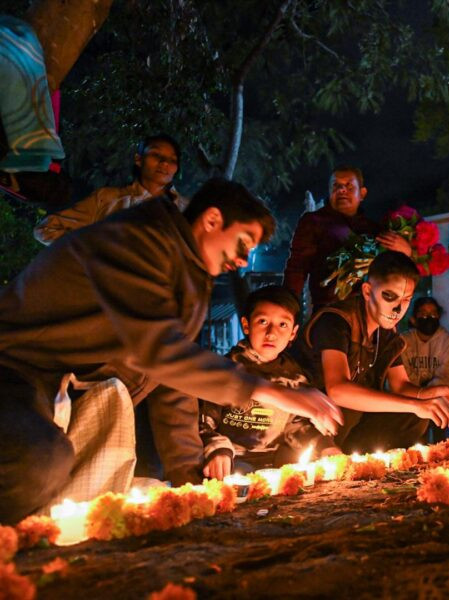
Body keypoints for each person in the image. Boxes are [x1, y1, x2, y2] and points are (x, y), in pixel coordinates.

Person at [0, 177, 342, 524]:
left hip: (66, 388)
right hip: (14, 366)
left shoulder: (188, 279)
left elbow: (172, 382)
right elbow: (160, 353)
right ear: (211, 221)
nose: (242, 260)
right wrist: (268, 390)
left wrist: (190, 482)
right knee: (37, 461)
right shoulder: (137, 243)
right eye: (242, 243)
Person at [300, 251, 449, 454]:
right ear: (368, 291)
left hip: (353, 423)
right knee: (414, 409)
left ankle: (371, 466)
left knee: (417, 415)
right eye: (389, 296)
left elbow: (400, 385)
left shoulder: (386, 334)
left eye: (406, 300)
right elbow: (338, 389)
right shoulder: (336, 321)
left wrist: (434, 394)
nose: (398, 309)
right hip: (312, 425)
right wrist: (416, 405)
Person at [200, 285, 327, 480]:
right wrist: (219, 451)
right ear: (246, 325)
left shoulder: (295, 378)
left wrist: (325, 447)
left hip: (277, 466)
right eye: (263, 321)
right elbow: (203, 423)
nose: (271, 333)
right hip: (232, 464)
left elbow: (297, 427)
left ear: (293, 333)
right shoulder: (226, 370)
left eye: (282, 325)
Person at [283, 165, 411, 311]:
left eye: (349, 186)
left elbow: (393, 274)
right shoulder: (314, 222)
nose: (342, 190)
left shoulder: (375, 230)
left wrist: (406, 252)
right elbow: (297, 268)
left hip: (370, 313)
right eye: (336, 185)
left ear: (362, 194)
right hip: (329, 312)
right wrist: (287, 307)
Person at [34, 134, 188, 244]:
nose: (164, 163)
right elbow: (47, 229)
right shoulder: (107, 199)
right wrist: (92, 251)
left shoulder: (188, 210)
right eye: (156, 154)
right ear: (139, 159)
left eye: (172, 159)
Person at [400, 297, 449, 389]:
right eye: (424, 314)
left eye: (433, 314)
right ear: (413, 319)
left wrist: (429, 392)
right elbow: (400, 378)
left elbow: (448, 376)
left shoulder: (448, 342)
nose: (429, 317)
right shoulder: (403, 341)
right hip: (408, 398)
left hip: (438, 397)